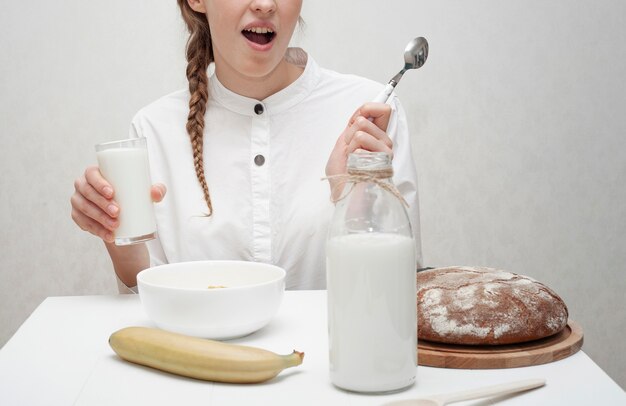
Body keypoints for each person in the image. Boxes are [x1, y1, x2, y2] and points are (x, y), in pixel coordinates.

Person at [70, 0, 423, 291]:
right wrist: (113, 232)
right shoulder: (152, 129)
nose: (265, 5)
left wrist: (352, 197)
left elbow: (402, 294)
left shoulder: (371, 115)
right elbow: (148, 309)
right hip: (198, 373)